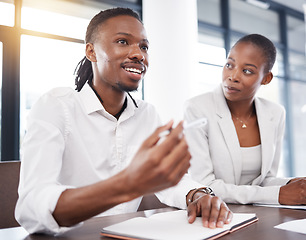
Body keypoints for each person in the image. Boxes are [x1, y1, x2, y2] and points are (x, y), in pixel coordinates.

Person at [15, 8, 232, 235]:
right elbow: (31, 209)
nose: (138, 54)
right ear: (91, 51)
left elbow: (171, 183)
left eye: (144, 46)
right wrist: (127, 185)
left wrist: (199, 195)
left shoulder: (147, 114)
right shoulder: (56, 106)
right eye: (122, 41)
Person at [184, 34, 306, 205]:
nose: (233, 76)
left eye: (247, 71)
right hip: (212, 214)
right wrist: (277, 194)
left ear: (266, 78)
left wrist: (293, 184)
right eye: (229, 65)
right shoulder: (197, 108)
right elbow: (205, 186)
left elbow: (265, 180)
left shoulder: (275, 113)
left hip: (257, 215)